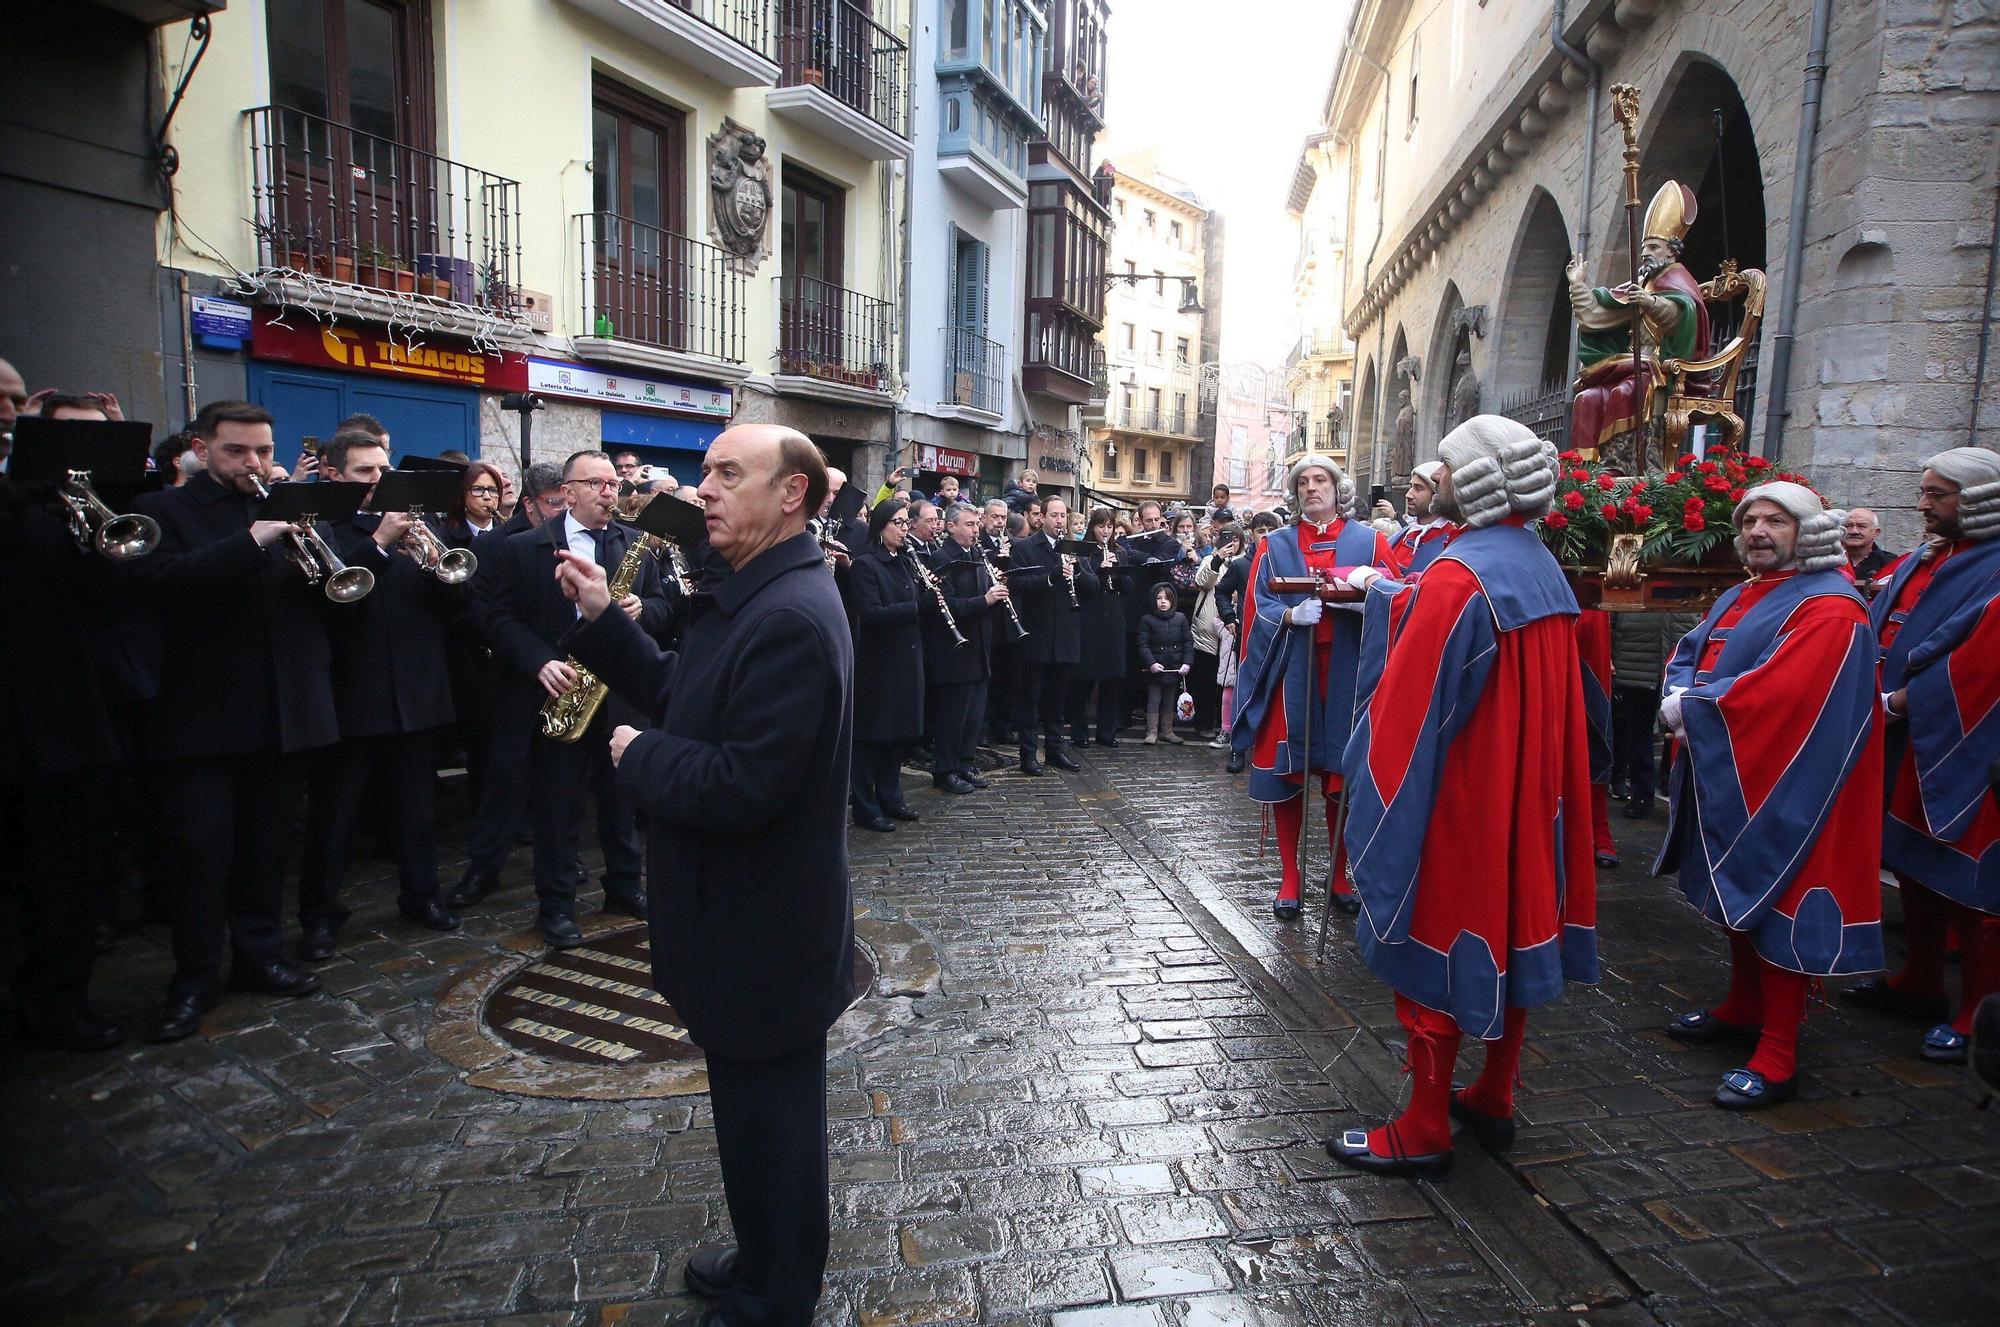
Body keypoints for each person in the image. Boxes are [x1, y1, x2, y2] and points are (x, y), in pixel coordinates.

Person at [552, 424, 851, 1327]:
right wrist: (607, 620)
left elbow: (745, 782)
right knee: (751, 1120)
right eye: (708, 470)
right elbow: (692, 693)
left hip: (764, 928)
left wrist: (638, 758)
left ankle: (776, 1296)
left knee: (776, 1129)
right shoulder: (755, 591)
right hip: (740, 922)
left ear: (791, 493)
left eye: (729, 473)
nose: (704, 489)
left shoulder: (790, 613)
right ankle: (762, 1257)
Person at [1331, 416, 1598, 1177]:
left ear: (1471, 477)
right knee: (1510, 933)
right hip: (1523, 790)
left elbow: (1409, 714)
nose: (1434, 482)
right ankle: (1494, 1094)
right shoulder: (1537, 560)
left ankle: (1422, 1127)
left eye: (1443, 469)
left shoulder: (1459, 571)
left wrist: (1373, 788)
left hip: (1462, 796)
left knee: (1434, 939)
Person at [1655, 481, 1886, 1108]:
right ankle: (1744, 1005)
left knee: (1782, 901)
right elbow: (1690, 650)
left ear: (1806, 530)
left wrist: (1693, 708)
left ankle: (1780, 1050)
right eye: (1751, 520)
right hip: (1729, 767)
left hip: (1794, 785)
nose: (1758, 531)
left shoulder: (1832, 606)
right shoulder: (1743, 591)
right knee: (1736, 892)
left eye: (1776, 521)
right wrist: (1680, 692)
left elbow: (1788, 694)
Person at [126, 401, 335, 1041]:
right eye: (239, 452)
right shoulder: (167, 511)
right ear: (201, 448)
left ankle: (260, 954)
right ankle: (192, 979)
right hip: (203, 719)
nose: (255, 464)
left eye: (264, 452)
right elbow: (161, 585)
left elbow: (322, 603)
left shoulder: (285, 509)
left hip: (281, 712)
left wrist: (319, 561)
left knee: (267, 847)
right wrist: (251, 541)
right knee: (201, 854)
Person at [1846, 447, 2000, 1064]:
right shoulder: (1929, 555)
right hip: (1903, 732)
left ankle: (1979, 1011)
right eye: (1925, 491)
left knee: (1970, 875)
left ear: (1978, 499)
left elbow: (1984, 661)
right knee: (1912, 858)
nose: (1924, 504)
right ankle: (1922, 980)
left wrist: (1908, 699)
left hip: (1967, 737)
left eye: (1938, 494)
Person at [482, 449, 668, 947]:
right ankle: (557, 906)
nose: (610, 493)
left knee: (621, 801)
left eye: (614, 485)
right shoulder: (522, 548)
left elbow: (663, 606)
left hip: (619, 696)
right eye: (597, 484)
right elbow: (498, 619)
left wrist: (641, 608)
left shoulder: (635, 546)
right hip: (559, 691)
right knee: (558, 807)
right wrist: (539, 661)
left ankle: (625, 887)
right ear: (567, 492)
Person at [295, 431, 464, 959]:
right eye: (364, 472)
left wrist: (444, 572)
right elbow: (329, 602)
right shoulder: (322, 530)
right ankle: (320, 918)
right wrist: (380, 544)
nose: (375, 482)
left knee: (417, 809)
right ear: (335, 476)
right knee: (335, 816)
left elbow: (455, 608)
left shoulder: (423, 525)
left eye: (381, 471)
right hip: (351, 693)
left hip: (415, 691)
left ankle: (422, 895)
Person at [0, 441, 138, 1050]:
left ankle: (57, 1002)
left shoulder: (50, 512)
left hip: (62, 718)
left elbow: (105, 598)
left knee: (62, 873)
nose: (7, 412)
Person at [1228, 456, 1388, 921]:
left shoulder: (1371, 540)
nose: (1312, 488)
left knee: (1341, 775)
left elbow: (1398, 593)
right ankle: (1290, 878)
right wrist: (1289, 616)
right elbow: (1259, 605)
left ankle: (1338, 876)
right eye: (1303, 482)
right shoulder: (1273, 545)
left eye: (1321, 480)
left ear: (1338, 489)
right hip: (1292, 671)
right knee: (1289, 771)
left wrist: (1366, 601)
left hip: (1350, 673)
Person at [448, 461, 567, 910]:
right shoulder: (502, 544)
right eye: (555, 502)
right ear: (532, 504)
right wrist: (536, 659)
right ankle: (484, 866)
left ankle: (560, 859)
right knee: (506, 775)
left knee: (560, 783)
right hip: (518, 679)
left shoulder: (583, 536)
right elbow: (489, 615)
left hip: (570, 679)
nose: (563, 509)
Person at [847, 500, 925, 832]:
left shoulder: (905, 560)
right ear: (881, 526)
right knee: (872, 737)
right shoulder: (866, 565)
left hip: (906, 658)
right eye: (899, 522)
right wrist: (917, 608)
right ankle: (866, 805)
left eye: (908, 522)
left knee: (897, 735)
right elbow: (872, 614)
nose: (905, 528)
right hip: (878, 664)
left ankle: (891, 796)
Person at [1009, 495, 1098, 774]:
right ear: (1042, 517)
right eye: (1054, 516)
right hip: (1038, 634)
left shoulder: (1073, 548)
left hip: (1066, 636)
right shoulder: (1025, 547)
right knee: (1031, 699)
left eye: (1063, 516)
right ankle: (1028, 755)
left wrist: (1077, 571)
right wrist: (1052, 577)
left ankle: (1055, 750)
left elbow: (1093, 587)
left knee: (1057, 700)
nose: (1060, 521)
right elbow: (1018, 585)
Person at [926, 502, 1008, 793]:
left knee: (973, 716)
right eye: (970, 525)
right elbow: (948, 604)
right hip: (954, 652)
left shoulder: (977, 554)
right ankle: (945, 770)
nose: (976, 530)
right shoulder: (940, 558)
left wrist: (998, 594)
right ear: (951, 527)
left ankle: (964, 762)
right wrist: (985, 600)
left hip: (980, 647)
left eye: (976, 524)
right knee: (952, 717)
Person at [1608, 610, 1695, 819]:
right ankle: (1642, 794)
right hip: (1638, 658)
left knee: (1682, 733)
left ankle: (1677, 792)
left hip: (1673, 659)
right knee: (1638, 732)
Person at [1067, 507, 1128, 749]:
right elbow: (1086, 587)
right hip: (1090, 619)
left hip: (1113, 619)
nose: (1105, 531)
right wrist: (1101, 572)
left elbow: (1128, 587)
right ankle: (1079, 732)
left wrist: (1118, 572)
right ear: (1093, 527)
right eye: (1101, 526)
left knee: (1112, 680)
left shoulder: (1120, 552)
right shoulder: (1085, 554)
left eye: (1109, 526)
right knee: (1084, 680)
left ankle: (1106, 732)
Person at [1192, 524, 1244, 745]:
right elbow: (1202, 581)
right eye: (1225, 539)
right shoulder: (1209, 560)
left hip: (1233, 631)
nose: (1230, 543)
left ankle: (1226, 725)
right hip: (1208, 632)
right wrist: (1218, 558)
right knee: (1205, 680)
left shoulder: (1244, 564)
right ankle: (1204, 723)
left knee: (1228, 683)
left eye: (1235, 539)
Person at [1136, 583, 1192, 745]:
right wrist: (1151, 663)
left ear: (1173, 600)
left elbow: (1188, 643)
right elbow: (1142, 644)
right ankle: (1152, 731)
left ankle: (1167, 731)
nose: (1163, 602)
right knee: (1154, 699)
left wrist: (1187, 663)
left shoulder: (1180, 619)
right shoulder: (1147, 620)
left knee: (1169, 699)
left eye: (1166, 598)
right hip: (1154, 670)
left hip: (1173, 668)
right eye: (1159, 598)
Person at [1384, 462, 1456, 576]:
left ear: (1436, 494)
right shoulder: (1399, 537)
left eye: (1418, 489)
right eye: (1411, 487)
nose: (1408, 495)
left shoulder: (1451, 543)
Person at [1840, 508, 1894, 581]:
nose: (1854, 531)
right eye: (1848, 526)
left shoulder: (1891, 564)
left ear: (1876, 533)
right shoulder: (1827, 560)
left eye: (1861, 526)